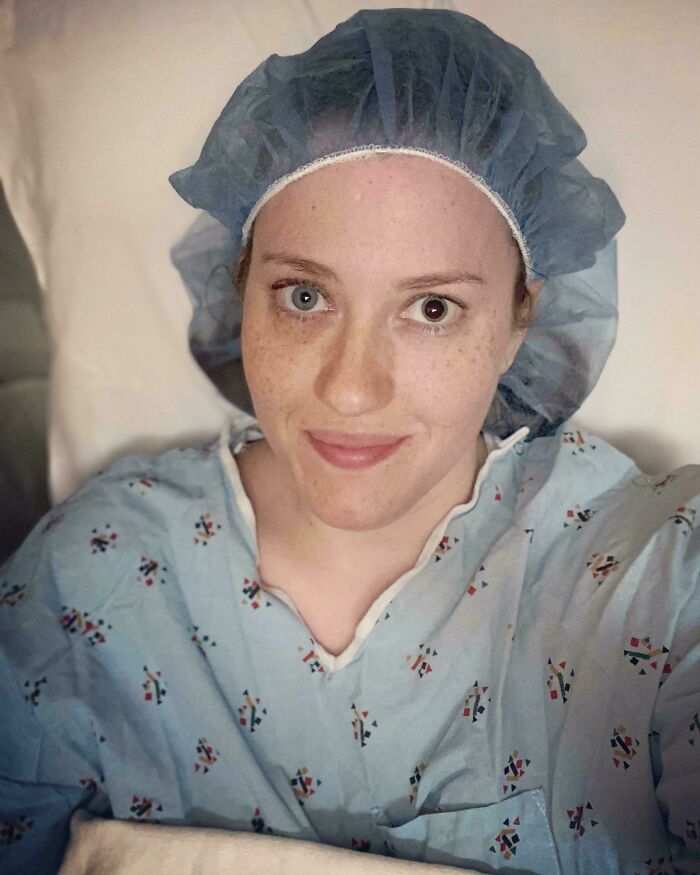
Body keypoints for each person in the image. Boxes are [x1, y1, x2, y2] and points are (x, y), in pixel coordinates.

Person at [1, 8, 698, 874]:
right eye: (304, 296)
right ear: (242, 290)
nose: (351, 387)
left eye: (432, 308)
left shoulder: (655, 585)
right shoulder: (91, 583)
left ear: (521, 317)